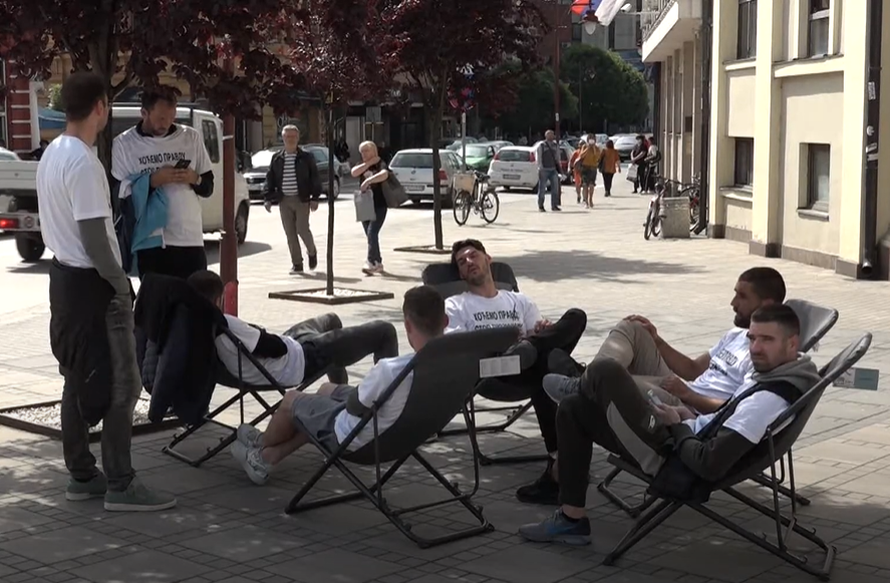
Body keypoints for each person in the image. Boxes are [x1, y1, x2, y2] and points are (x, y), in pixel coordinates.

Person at [518, 304, 820, 545]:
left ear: (792, 343)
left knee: (607, 372)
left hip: (674, 458)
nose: (755, 347)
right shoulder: (776, 373)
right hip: (683, 431)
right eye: (753, 338)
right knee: (573, 409)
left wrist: (678, 424)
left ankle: (583, 383)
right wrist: (689, 418)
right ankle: (572, 520)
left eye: (767, 340)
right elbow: (721, 419)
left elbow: (708, 465)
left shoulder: (766, 399)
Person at [529, 266, 787, 506]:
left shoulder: (762, 355)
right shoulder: (737, 335)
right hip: (682, 391)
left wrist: (690, 396)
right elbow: (693, 369)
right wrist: (656, 340)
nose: (733, 303)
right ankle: (585, 382)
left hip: (688, 412)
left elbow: (733, 410)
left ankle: (586, 381)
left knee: (604, 379)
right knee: (633, 327)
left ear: (767, 305)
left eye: (741, 296)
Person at [38, 72, 176, 512]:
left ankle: (82, 475)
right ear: (100, 106)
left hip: (64, 279)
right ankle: (121, 484)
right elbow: (96, 236)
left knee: (76, 375)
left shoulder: (52, 153)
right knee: (125, 383)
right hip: (95, 285)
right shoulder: (82, 161)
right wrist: (120, 284)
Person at [229, 285, 446, 485]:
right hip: (406, 432)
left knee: (292, 400)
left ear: (407, 325)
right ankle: (271, 456)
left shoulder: (391, 370)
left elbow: (356, 406)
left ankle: (260, 447)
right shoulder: (455, 361)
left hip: (363, 440)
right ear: (445, 321)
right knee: (325, 391)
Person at [445, 239, 588, 503]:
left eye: (472, 256)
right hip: (490, 370)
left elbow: (546, 336)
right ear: (461, 274)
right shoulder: (456, 305)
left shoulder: (519, 300)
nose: (467, 263)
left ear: (489, 259)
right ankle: (581, 378)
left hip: (527, 363)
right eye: (461, 263)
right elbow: (456, 347)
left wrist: (540, 332)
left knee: (575, 318)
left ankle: (559, 467)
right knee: (547, 366)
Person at [187, 270, 399, 389]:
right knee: (385, 330)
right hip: (300, 359)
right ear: (218, 299)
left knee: (331, 319)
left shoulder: (193, 326)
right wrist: (257, 331)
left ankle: (339, 392)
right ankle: (389, 404)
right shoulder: (227, 326)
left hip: (290, 349)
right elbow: (276, 348)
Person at [112, 88, 214, 280]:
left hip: (189, 238)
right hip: (151, 242)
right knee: (158, 304)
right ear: (144, 113)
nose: (166, 123)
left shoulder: (190, 138)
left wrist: (194, 179)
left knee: (193, 303)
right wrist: (152, 181)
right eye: (160, 118)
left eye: (171, 116)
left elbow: (208, 187)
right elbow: (119, 194)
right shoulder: (124, 144)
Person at [262, 125, 321, 275]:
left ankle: (312, 251)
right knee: (290, 233)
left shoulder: (306, 157)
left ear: (298, 138)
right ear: (282, 138)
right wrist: (268, 198)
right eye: (287, 136)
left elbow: (315, 177)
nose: (290, 139)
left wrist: (315, 197)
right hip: (284, 200)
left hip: (301, 199)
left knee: (302, 228)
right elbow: (271, 178)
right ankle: (297, 264)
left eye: (293, 137)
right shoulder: (277, 158)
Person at [351, 141, 390, 275]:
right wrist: (367, 164)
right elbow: (354, 173)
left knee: (372, 232)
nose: (363, 154)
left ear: (373, 151)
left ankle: (370, 261)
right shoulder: (361, 165)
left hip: (379, 204)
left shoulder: (381, 163)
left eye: (366, 151)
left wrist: (368, 180)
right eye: (361, 152)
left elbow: (385, 174)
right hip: (365, 204)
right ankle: (377, 262)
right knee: (370, 234)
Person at [536, 130, 562, 212]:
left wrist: (559, 168)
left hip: (553, 169)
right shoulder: (542, 145)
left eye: (552, 135)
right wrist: (540, 167)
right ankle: (541, 206)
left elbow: (558, 158)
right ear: (545, 136)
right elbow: (539, 157)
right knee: (542, 189)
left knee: (555, 188)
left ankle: (554, 206)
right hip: (544, 170)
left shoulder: (556, 146)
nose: (551, 136)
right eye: (549, 135)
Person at [577, 137, 601, 209]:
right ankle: (586, 201)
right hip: (585, 167)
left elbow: (597, 158)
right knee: (584, 185)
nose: (591, 142)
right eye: (590, 140)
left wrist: (593, 148)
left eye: (592, 140)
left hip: (593, 167)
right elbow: (581, 155)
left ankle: (590, 199)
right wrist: (588, 148)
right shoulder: (584, 147)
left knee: (591, 185)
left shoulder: (597, 148)